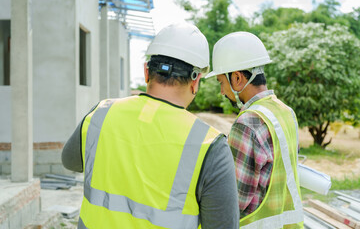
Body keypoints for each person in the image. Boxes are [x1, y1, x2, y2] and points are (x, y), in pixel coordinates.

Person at [61, 23, 239, 229]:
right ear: (195, 81)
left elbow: (70, 161)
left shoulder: (102, 112)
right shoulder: (210, 146)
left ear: (146, 72)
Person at [206, 32, 304, 228]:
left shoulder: (247, 123)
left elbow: (235, 201)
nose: (222, 92)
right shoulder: (286, 112)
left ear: (237, 78)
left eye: (221, 83)